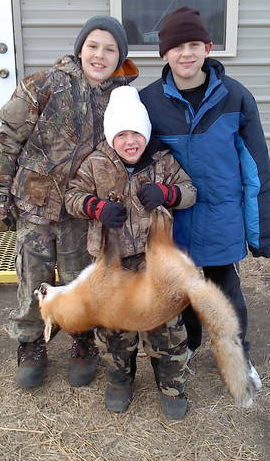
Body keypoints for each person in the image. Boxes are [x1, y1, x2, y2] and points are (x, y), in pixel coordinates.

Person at [0, 16, 138, 390]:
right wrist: (1, 191)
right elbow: (8, 140)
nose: (100, 56)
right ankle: (31, 343)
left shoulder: (121, 99)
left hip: (83, 210)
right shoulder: (42, 85)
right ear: (79, 49)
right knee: (33, 277)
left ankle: (82, 341)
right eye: (93, 46)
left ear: (120, 56)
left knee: (79, 279)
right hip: (35, 205)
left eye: (110, 49)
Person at [139, 6, 270, 359]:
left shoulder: (236, 96)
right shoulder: (148, 101)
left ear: (208, 48)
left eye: (194, 45)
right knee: (180, 290)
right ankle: (188, 346)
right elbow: (137, 162)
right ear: (164, 53)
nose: (186, 54)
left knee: (225, 291)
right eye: (177, 46)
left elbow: (256, 168)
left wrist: (260, 231)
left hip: (220, 216)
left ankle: (236, 355)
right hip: (173, 217)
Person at [64, 86, 197, 419]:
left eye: (136, 133)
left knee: (166, 325)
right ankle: (120, 381)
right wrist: (96, 207)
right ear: (112, 137)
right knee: (114, 328)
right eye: (121, 135)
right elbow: (71, 198)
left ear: (146, 133)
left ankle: (171, 386)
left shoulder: (163, 161)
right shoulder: (95, 162)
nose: (130, 142)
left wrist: (167, 193)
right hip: (112, 261)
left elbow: (190, 191)